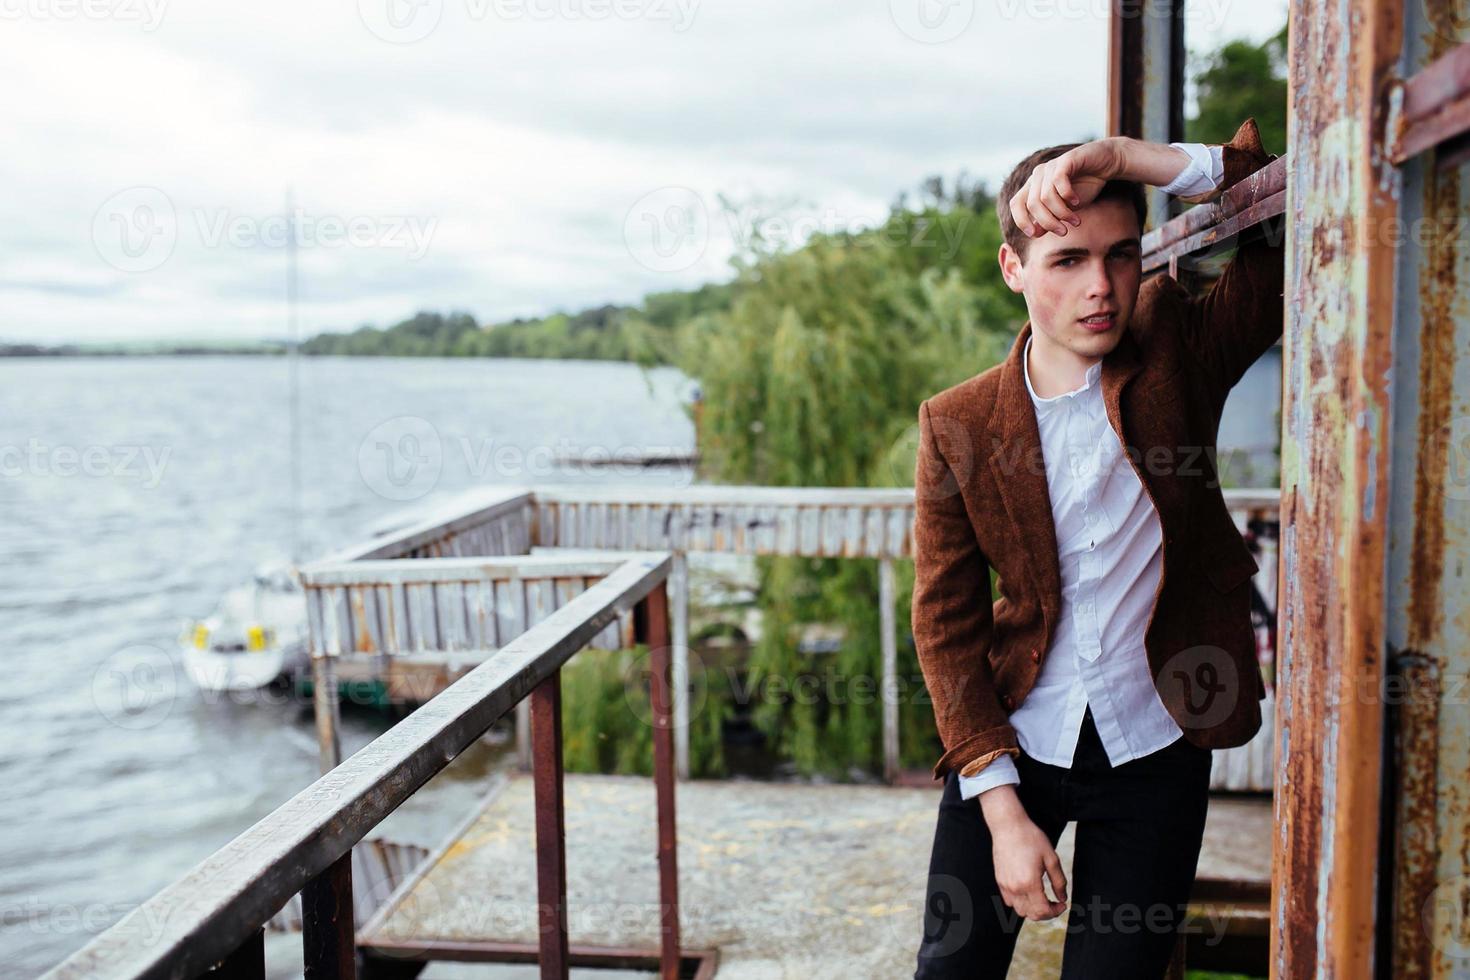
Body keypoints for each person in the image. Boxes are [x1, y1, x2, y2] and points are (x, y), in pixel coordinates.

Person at [910, 118, 1281, 979]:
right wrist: (1001, 814)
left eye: (1121, 255)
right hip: (1010, 744)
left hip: (1155, 747)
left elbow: (1273, 217)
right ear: (1014, 270)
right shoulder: (956, 423)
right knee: (949, 972)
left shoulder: (1176, 352)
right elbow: (945, 626)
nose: (1102, 286)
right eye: (1067, 261)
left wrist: (1128, 159)